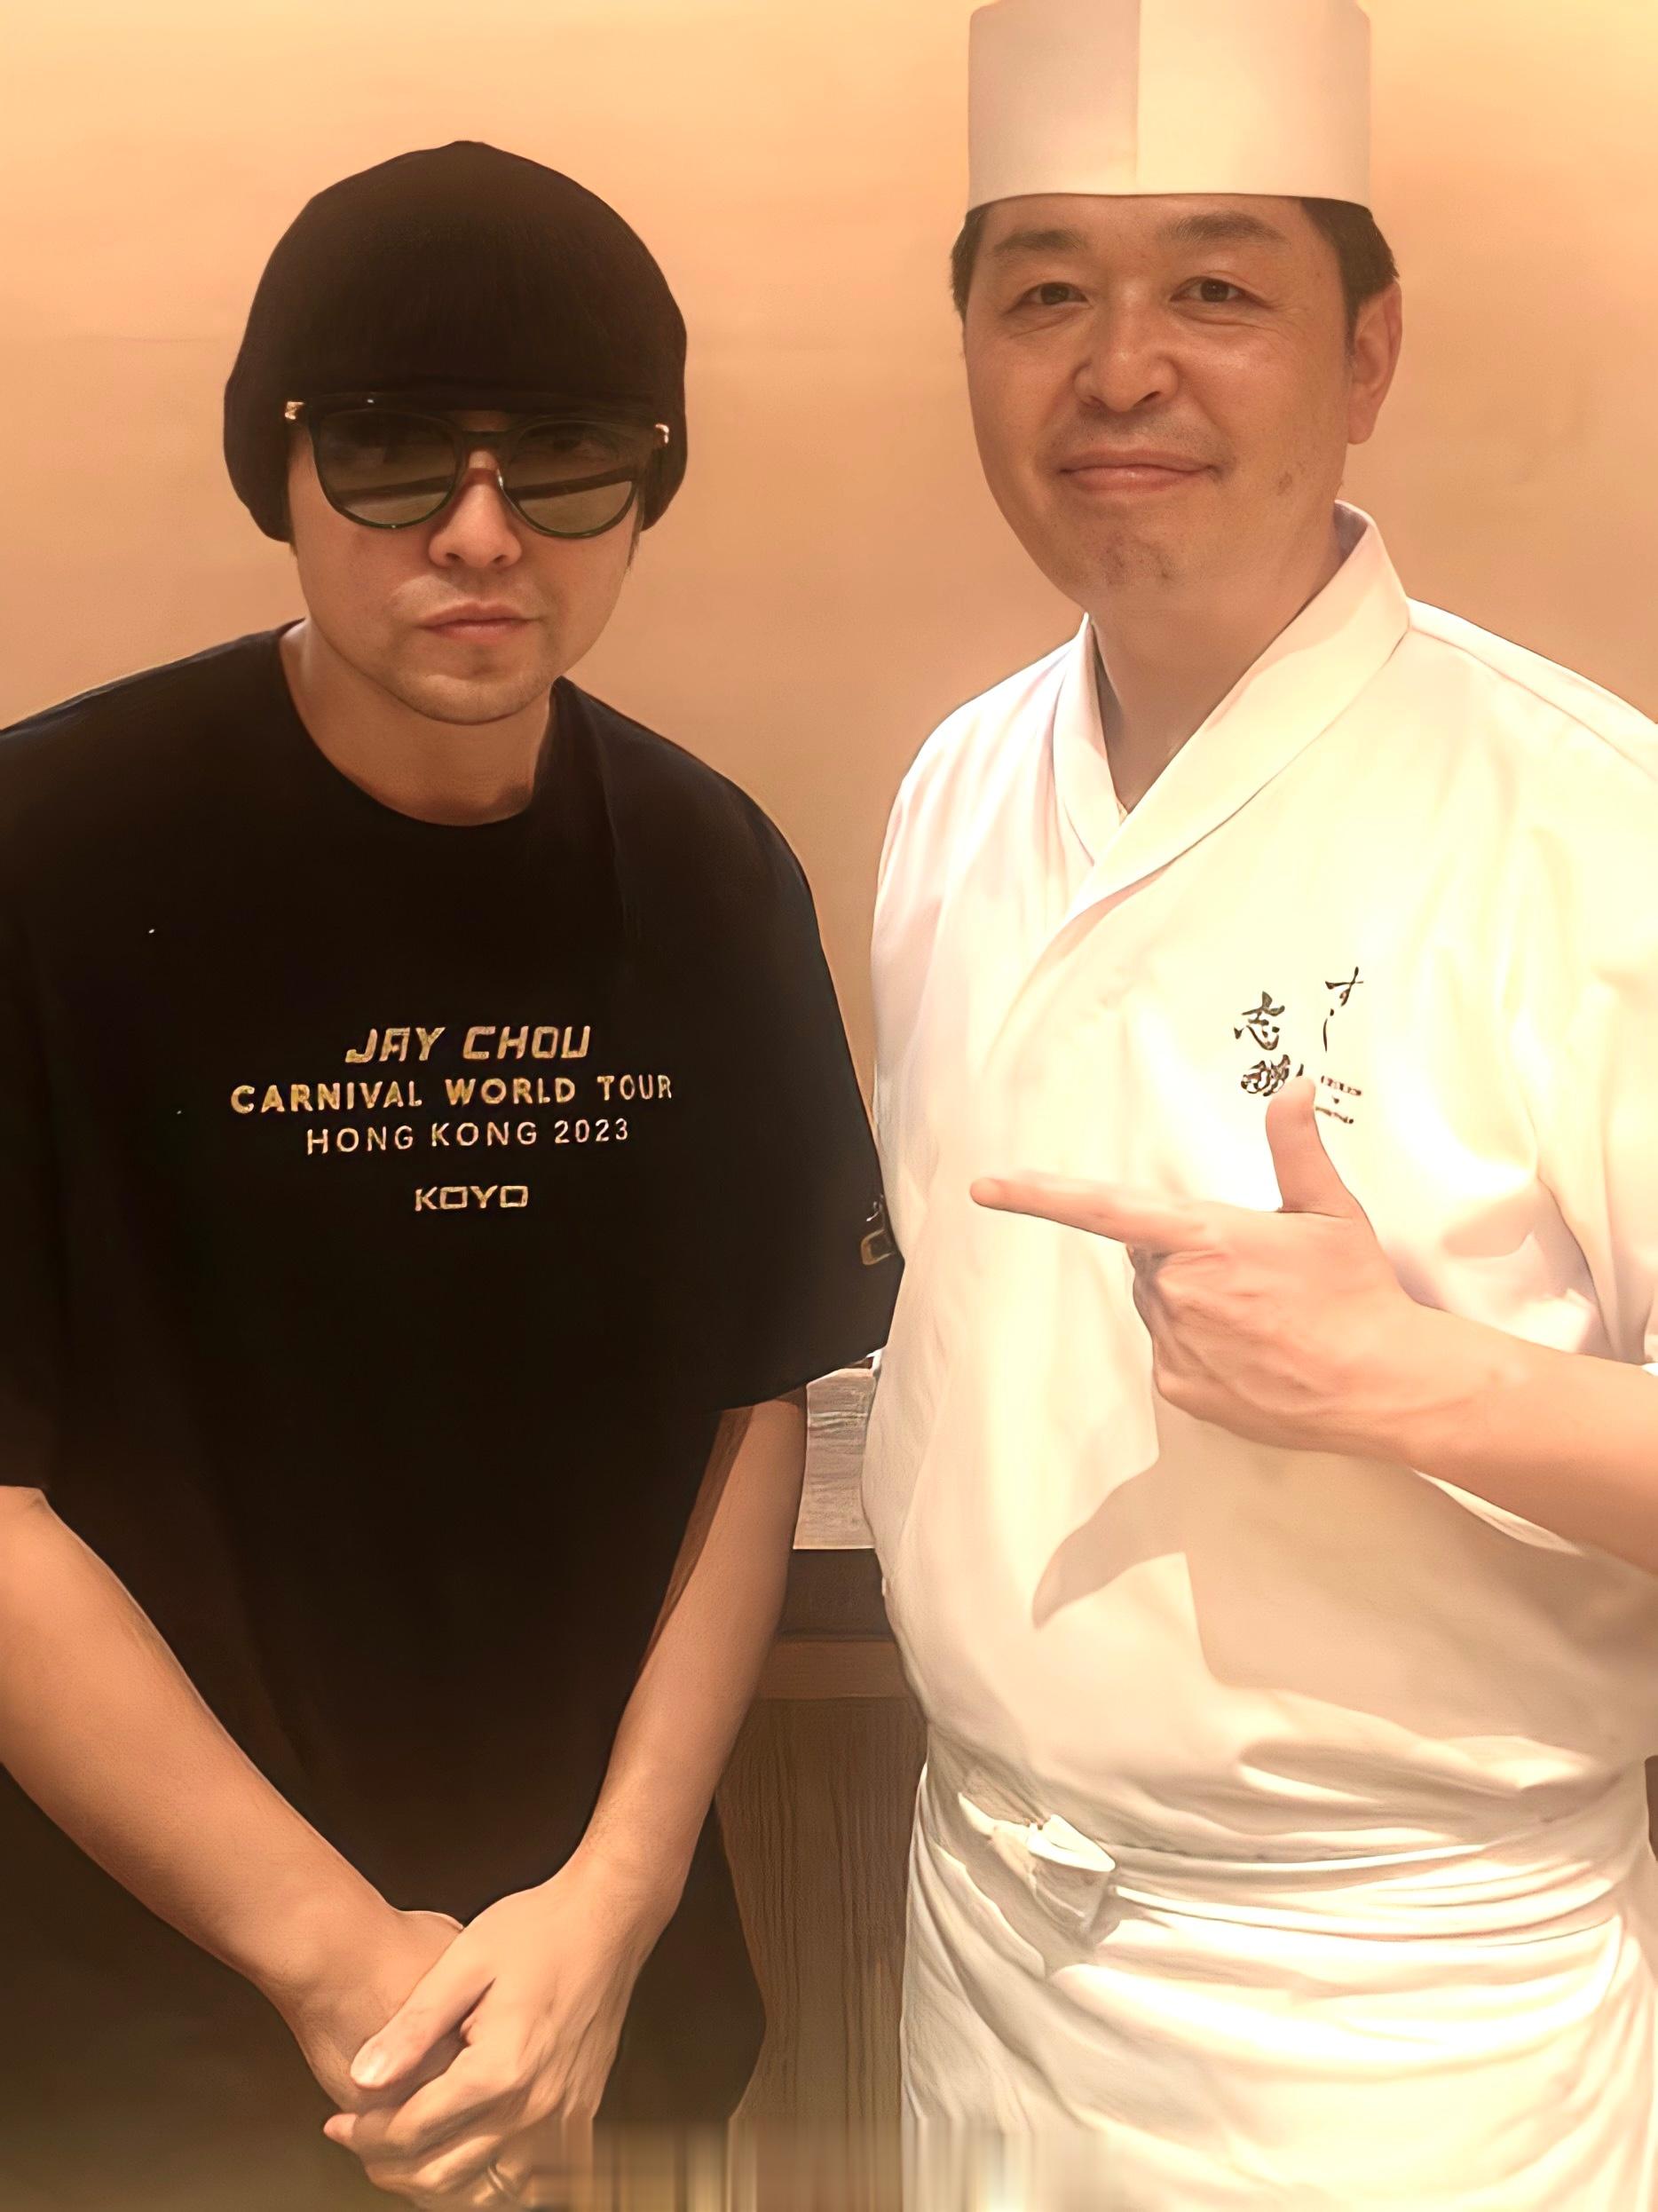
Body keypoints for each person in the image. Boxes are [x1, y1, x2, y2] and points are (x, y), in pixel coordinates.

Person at [0, 139, 897, 2211]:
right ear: (280, 468)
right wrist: (345, 1966)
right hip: (137, 2042)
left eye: (566, 457)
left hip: (594, 2019)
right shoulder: (50, 859)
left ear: (648, 485)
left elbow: (749, 1407)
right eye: (395, 449)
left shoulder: (707, 872)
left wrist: (615, 1905)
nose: (482, 532)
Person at [863, 0, 1658, 2203]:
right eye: (1044, 292)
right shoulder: (955, 787)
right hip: (985, 1937)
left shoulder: (1590, 830)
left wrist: (1420, 1381)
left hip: (1398, 2026)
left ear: (1366, 351)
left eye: (1215, 287)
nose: (1120, 368)